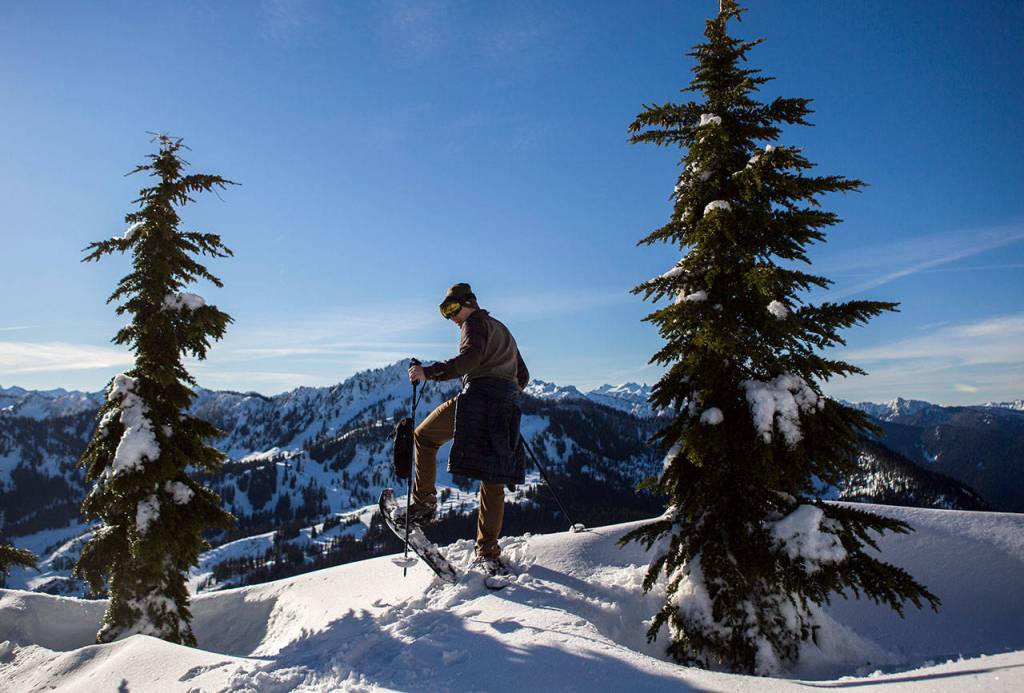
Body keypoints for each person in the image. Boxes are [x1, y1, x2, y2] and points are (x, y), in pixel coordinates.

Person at [406, 282, 529, 571]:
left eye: (451, 309)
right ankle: (487, 550)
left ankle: (424, 504)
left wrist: (428, 372)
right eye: (444, 312)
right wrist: (506, 392)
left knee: (424, 436)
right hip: (504, 406)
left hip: (477, 400)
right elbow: (522, 374)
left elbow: (469, 359)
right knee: (493, 476)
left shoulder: (473, 324)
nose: (450, 318)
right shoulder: (502, 329)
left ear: (468, 303)